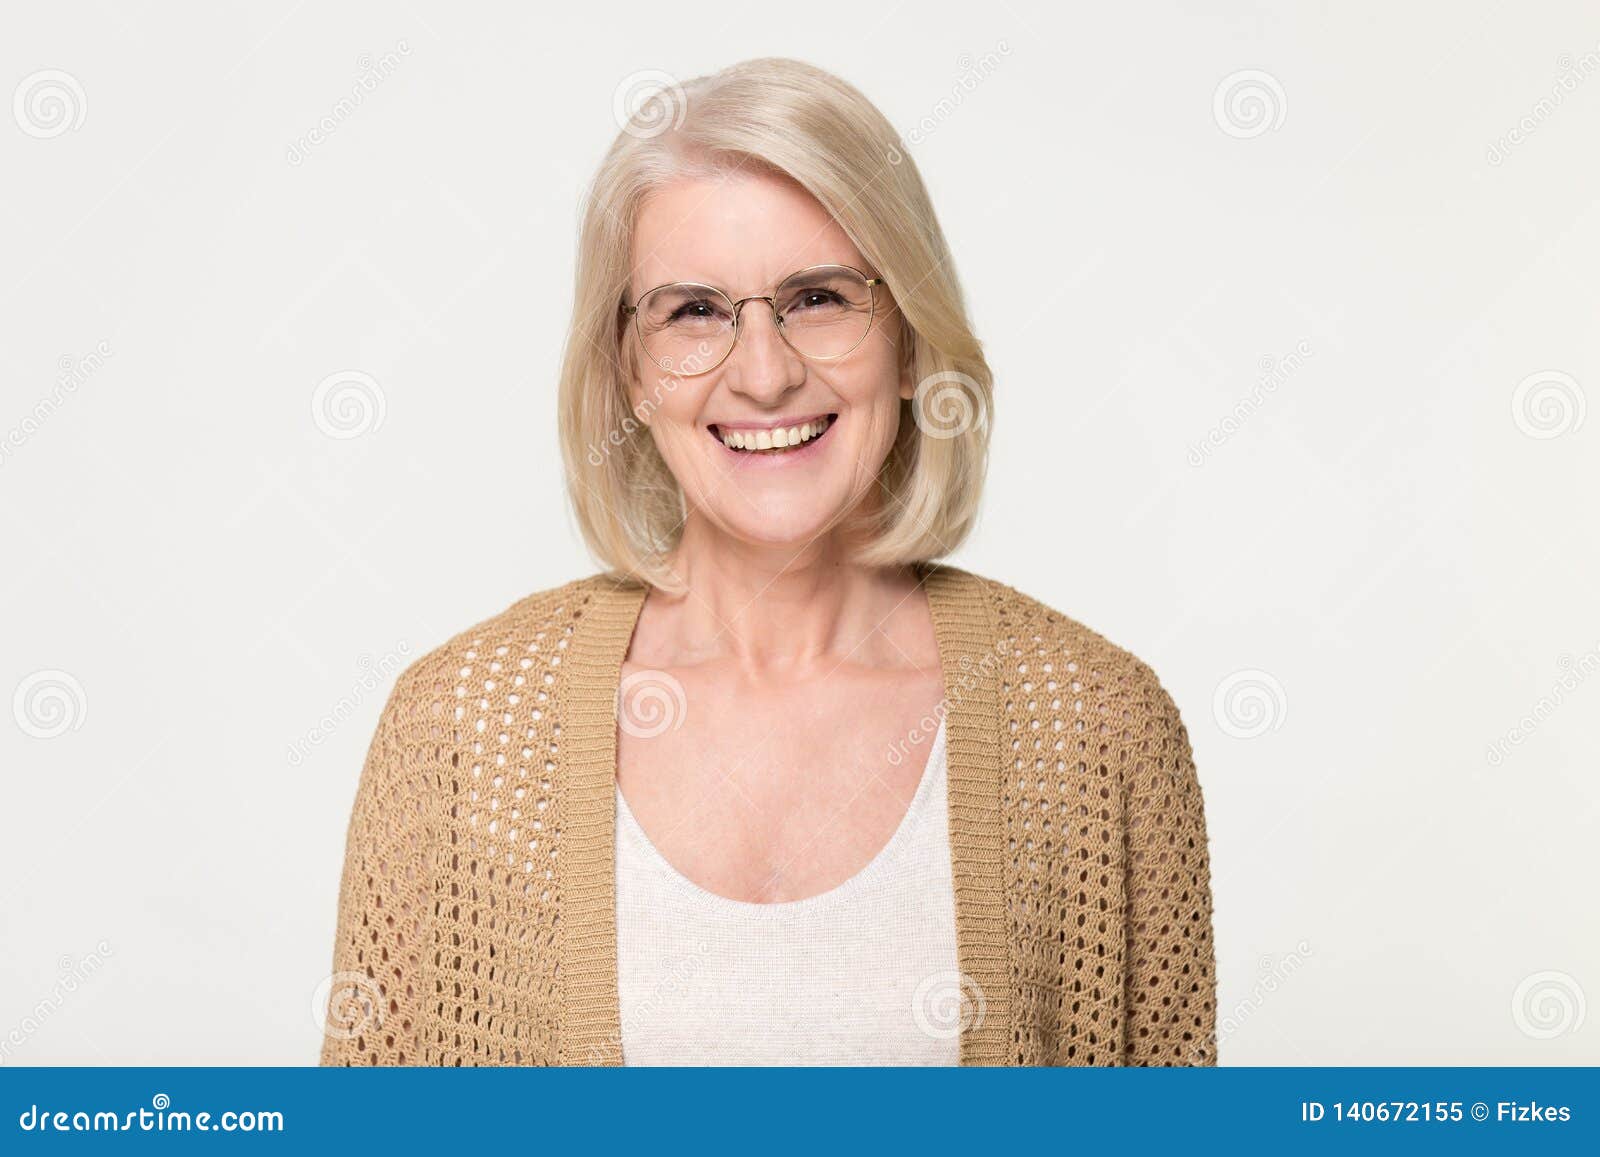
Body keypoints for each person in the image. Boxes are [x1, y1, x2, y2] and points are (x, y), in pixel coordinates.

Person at [319, 56, 1216, 1067]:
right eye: (693, 310)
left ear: (910, 338)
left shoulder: (1096, 730)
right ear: (630, 370)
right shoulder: (456, 734)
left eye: (819, 297)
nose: (764, 371)